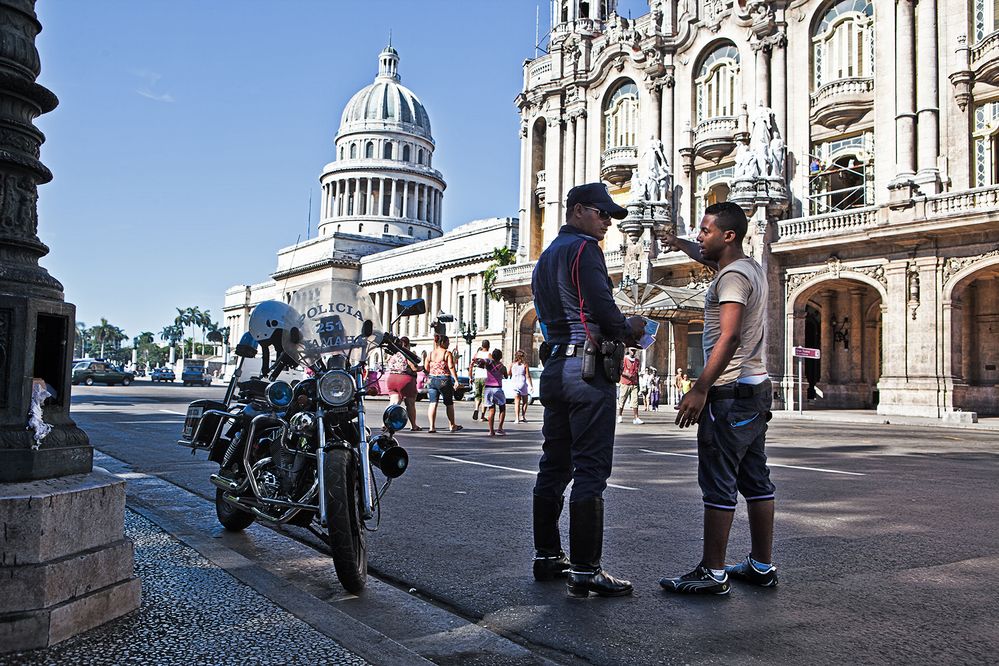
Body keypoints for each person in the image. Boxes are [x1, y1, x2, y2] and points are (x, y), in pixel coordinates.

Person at [530, 182, 645, 598]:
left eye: (611, 217)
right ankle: (585, 569)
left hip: (556, 367)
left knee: (553, 466)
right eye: (602, 214)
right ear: (578, 211)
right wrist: (629, 327)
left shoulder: (545, 258)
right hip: (587, 369)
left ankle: (546, 556)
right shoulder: (584, 250)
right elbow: (601, 309)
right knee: (591, 470)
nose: (608, 224)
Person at [656, 201, 777, 595]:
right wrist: (677, 242)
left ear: (728, 236)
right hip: (755, 389)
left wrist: (701, 387)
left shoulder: (731, 280)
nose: (698, 237)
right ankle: (760, 566)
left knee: (719, 482)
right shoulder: (746, 268)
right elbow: (703, 253)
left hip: (728, 392)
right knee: (756, 480)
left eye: (704, 231)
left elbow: (729, 335)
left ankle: (713, 572)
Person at [426, 334, 463, 433]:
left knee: (433, 403)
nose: (449, 344)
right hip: (444, 380)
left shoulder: (430, 354)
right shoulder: (447, 353)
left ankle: (431, 427)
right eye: (447, 342)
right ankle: (452, 425)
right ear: (442, 342)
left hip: (432, 380)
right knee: (449, 403)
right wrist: (456, 380)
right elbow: (451, 367)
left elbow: (426, 368)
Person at [386, 336, 421, 431]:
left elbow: (387, 362)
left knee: (393, 402)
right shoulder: (406, 354)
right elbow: (414, 368)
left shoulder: (393, 354)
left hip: (391, 379)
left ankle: (385, 423)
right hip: (405, 380)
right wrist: (423, 368)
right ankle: (413, 425)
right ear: (408, 345)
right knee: (410, 404)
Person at [478, 348, 508, 436]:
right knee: (502, 408)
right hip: (497, 388)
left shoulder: (489, 364)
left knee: (491, 410)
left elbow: (482, 363)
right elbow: (506, 376)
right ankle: (500, 428)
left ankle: (491, 431)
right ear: (501, 357)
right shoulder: (502, 367)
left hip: (488, 388)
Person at [616, 348, 644, 425]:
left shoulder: (637, 361)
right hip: (625, 382)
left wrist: (638, 383)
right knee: (622, 399)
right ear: (629, 350)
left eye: (634, 351)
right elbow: (620, 370)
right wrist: (627, 374)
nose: (633, 352)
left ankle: (636, 417)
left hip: (634, 383)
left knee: (635, 401)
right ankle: (620, 415)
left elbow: (637, 372)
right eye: (632, 350)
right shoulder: (624, 359)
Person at [470, 340, 492, 421]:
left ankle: (476, 408)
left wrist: (470, 376)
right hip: (486, 377)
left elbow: (471, 365)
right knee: (484, 397)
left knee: (477, 395)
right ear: (488, 346)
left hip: (477, 376)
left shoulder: (477, 354)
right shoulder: (489, 354)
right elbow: (492, 365)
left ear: (482, 346)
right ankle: (482, 416)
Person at [509, 349, 533, 423]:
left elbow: (509, 373)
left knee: (517, 402)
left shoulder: (512, 364)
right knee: (525, 401)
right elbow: (528, 376)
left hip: (515, 384)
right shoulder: (525, 365)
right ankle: (523, 416)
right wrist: (531, 385)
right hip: (522, 384)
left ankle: (517, 418)